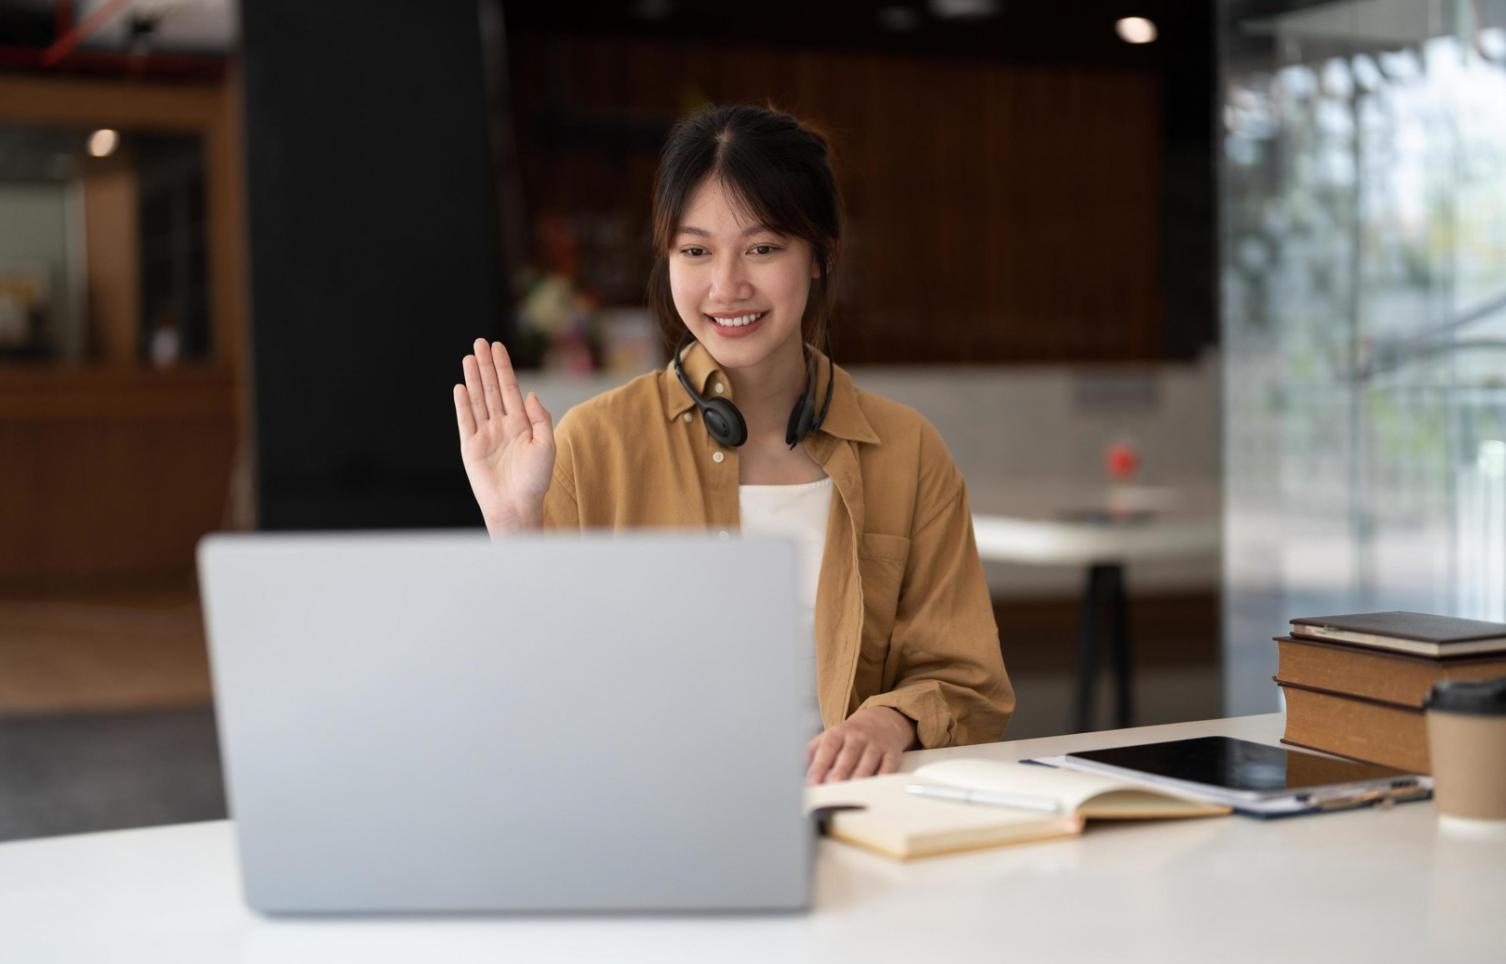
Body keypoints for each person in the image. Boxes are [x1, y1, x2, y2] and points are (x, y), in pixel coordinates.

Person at [453, 104, 1014, 784]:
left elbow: (969, 683)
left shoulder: (906, 450)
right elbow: (533, 704)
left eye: (763, 248)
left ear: (820, 256)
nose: (726, 286)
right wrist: (515, 527)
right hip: (660, 821)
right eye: (695, 251)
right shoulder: (596, 443)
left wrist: (888, 720)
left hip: (860, 817)